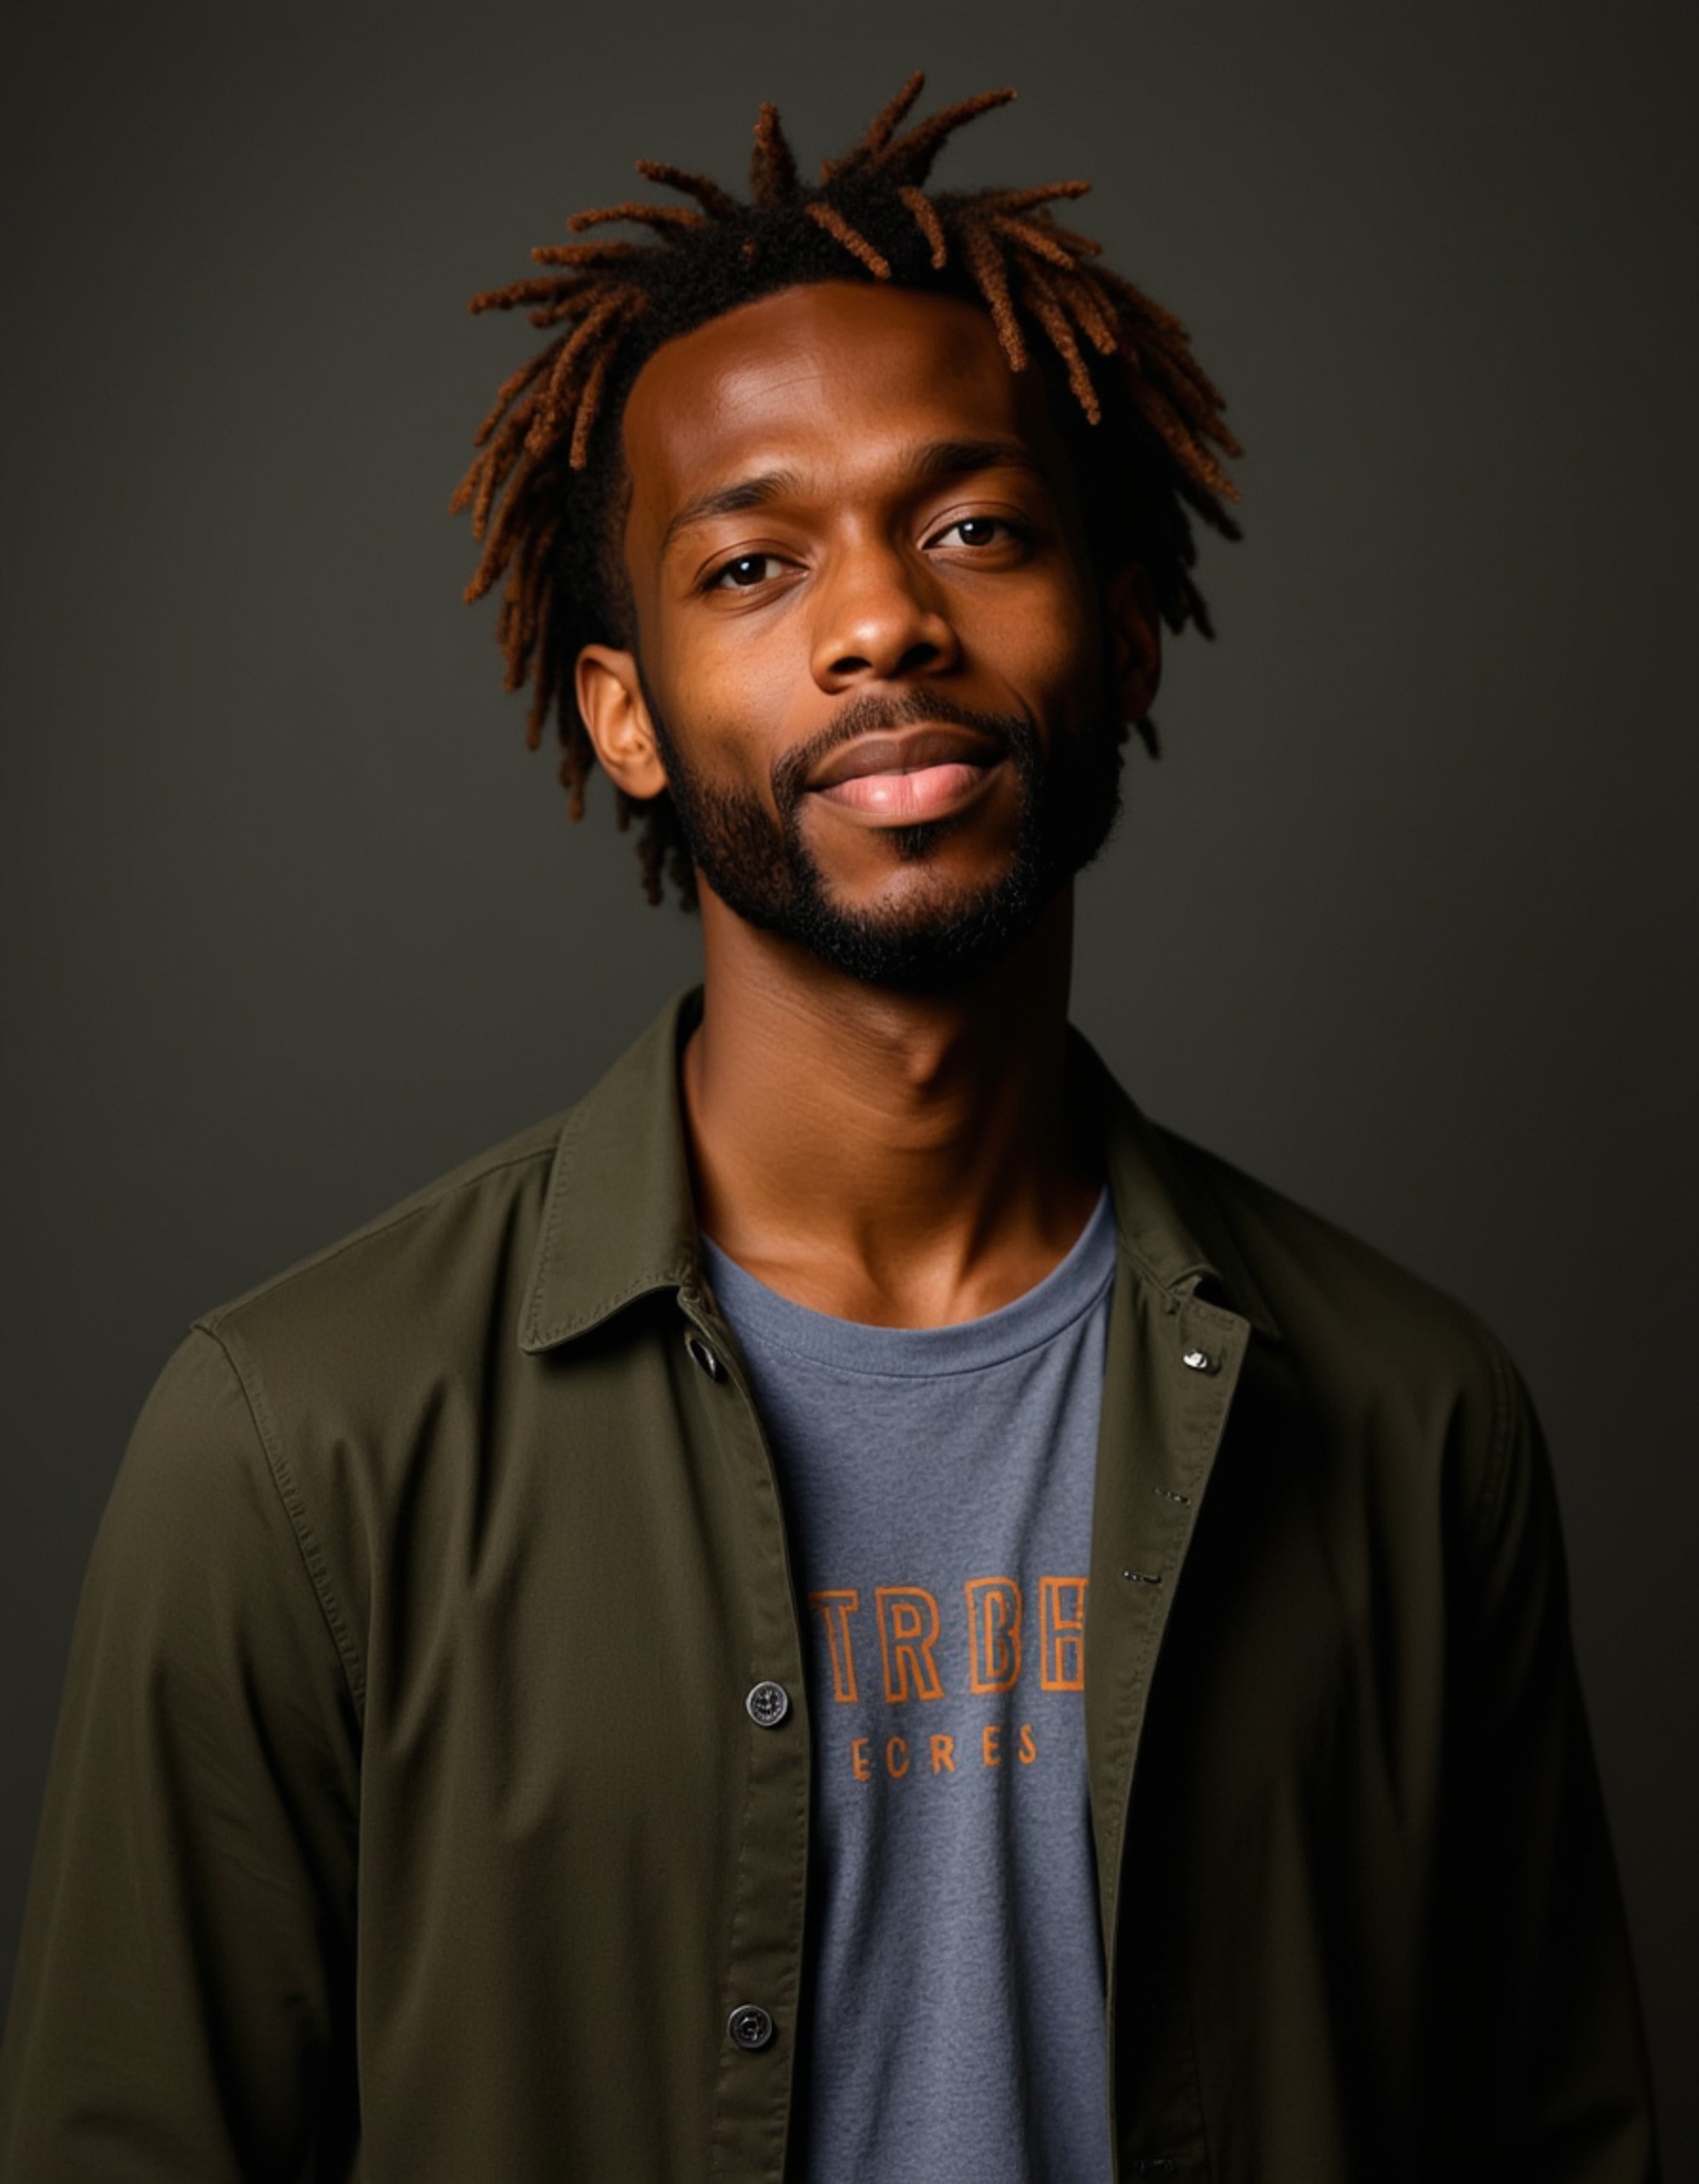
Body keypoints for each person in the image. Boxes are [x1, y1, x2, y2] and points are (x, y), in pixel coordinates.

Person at [0, 74, 1657, 2184]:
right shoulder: (295, 1450)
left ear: (1123, 626)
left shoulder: (1414, 1426)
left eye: (973, 525)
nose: (881, 620)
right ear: (623, 709)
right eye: (755, 561)